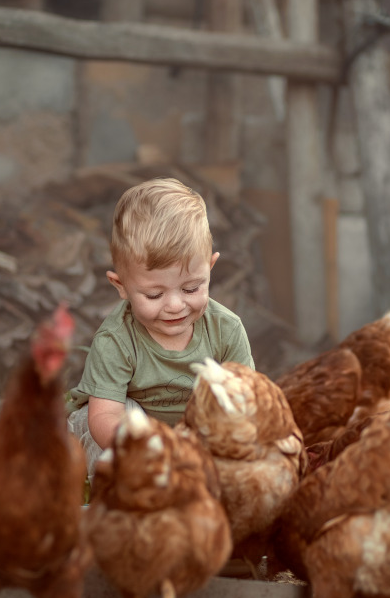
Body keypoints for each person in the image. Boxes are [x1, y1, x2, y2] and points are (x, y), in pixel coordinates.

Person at [67, 177, 254, 475]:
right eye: (154, 295)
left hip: (197, 437)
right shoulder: (116, 339)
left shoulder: (226, 330)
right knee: (109, 421)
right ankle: (116, 498)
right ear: (121, 286)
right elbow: (105, 415)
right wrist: (142, 449)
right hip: (131, 435)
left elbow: (247, 400)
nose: (175, 305)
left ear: (211, 269)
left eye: (191, 289)